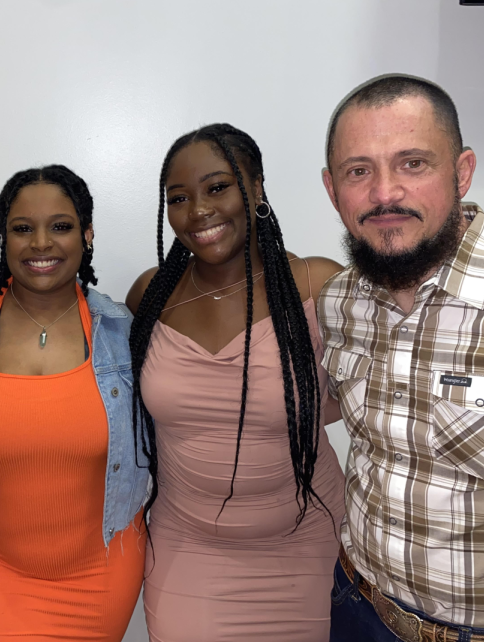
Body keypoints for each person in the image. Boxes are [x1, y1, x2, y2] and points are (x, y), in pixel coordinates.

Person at [127, 123, 346, 641]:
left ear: (258, 187)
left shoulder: (317, 285)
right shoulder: (149, 295)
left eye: (218, 187)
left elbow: (375, 395)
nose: (199, 209)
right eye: (178, 197)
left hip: (309, 549)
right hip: (188, 556)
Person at [320, 74, 484, 641]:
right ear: (334, 191)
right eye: (360, 171)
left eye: (412, 163)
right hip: (358, 609)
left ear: (462, 172)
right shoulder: (340, 303)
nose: (385, 193)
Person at [0, 164, 148, 641]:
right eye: (22, 229)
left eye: (60, 226)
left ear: (86, 235)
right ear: (4, 239)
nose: (40, 243)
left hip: (102, 568)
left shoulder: (122, 331)